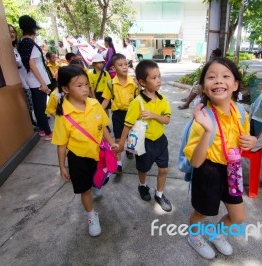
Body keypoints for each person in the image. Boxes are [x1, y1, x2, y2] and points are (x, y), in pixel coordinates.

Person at [183, 57, 257, 259]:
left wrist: (252, 140)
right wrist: (207, 130)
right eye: (211, 77)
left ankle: (216, 234)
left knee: (239, 218)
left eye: (225, 76)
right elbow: (196, 162)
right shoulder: (203, 118)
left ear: (235, 85)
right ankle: (194, 236)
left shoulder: (240, 112)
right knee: (203, 212)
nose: (218, 81)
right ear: (204, 88)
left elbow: (244, 139)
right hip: (208, 171)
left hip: (232, 169)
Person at [51, 65, 118, 237]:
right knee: (84, 189)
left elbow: (103, 126)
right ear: (66, 89)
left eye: (86, 85)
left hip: (98, 154)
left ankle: (97, 184)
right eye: (79, 86)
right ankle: (91, 215)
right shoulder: (63, 114)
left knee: (99, 179)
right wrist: (62, 166)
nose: (85, 89)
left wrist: (112, 144)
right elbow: (61, 143)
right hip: (77, 158)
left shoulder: (94, 104)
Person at [118, 60, 172, 212]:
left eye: (159, 76)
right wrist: (121, 144)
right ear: (142, 82)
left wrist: (154, 115)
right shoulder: (137, 102)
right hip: (144, 143)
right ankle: (143, 186)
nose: (158, 80)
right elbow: (127, 124)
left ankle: (159, 194)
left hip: (160, 141)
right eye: (154, 78)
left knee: (163, 170)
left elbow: (167, 120)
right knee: (143, 169)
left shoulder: (162, 100)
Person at [18, 15, 53, 141]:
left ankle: (44, 130)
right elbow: (32, 64)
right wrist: (43, 83)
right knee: (41, 108)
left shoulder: (22, 43)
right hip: (37, 81)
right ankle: (48, 132)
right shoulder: (29, 43)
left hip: (33, 80)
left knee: (39, 107)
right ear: (32, 28)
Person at [101, 53, 138, 173]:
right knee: (117, 140)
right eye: (120, 65)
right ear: (113, 68)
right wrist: (97, 113)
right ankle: (118, 164)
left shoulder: (133, 83)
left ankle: (128, 150)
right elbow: (106, 101)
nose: (124, 67)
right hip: (117, 115)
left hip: (131, 115)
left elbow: (138, 100)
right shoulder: (110, 84)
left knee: (131, 138)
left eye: (126, 64)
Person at [8, 24, 36, 128]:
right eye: (9, 32)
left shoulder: (15, 47)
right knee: (27, 103)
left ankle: (33, 123)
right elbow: (18, 63)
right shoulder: (8, 50)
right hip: (19, 81)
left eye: (13, 31)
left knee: (29, 103)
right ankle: (31, 124)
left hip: (25, 79)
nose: (12, 34)